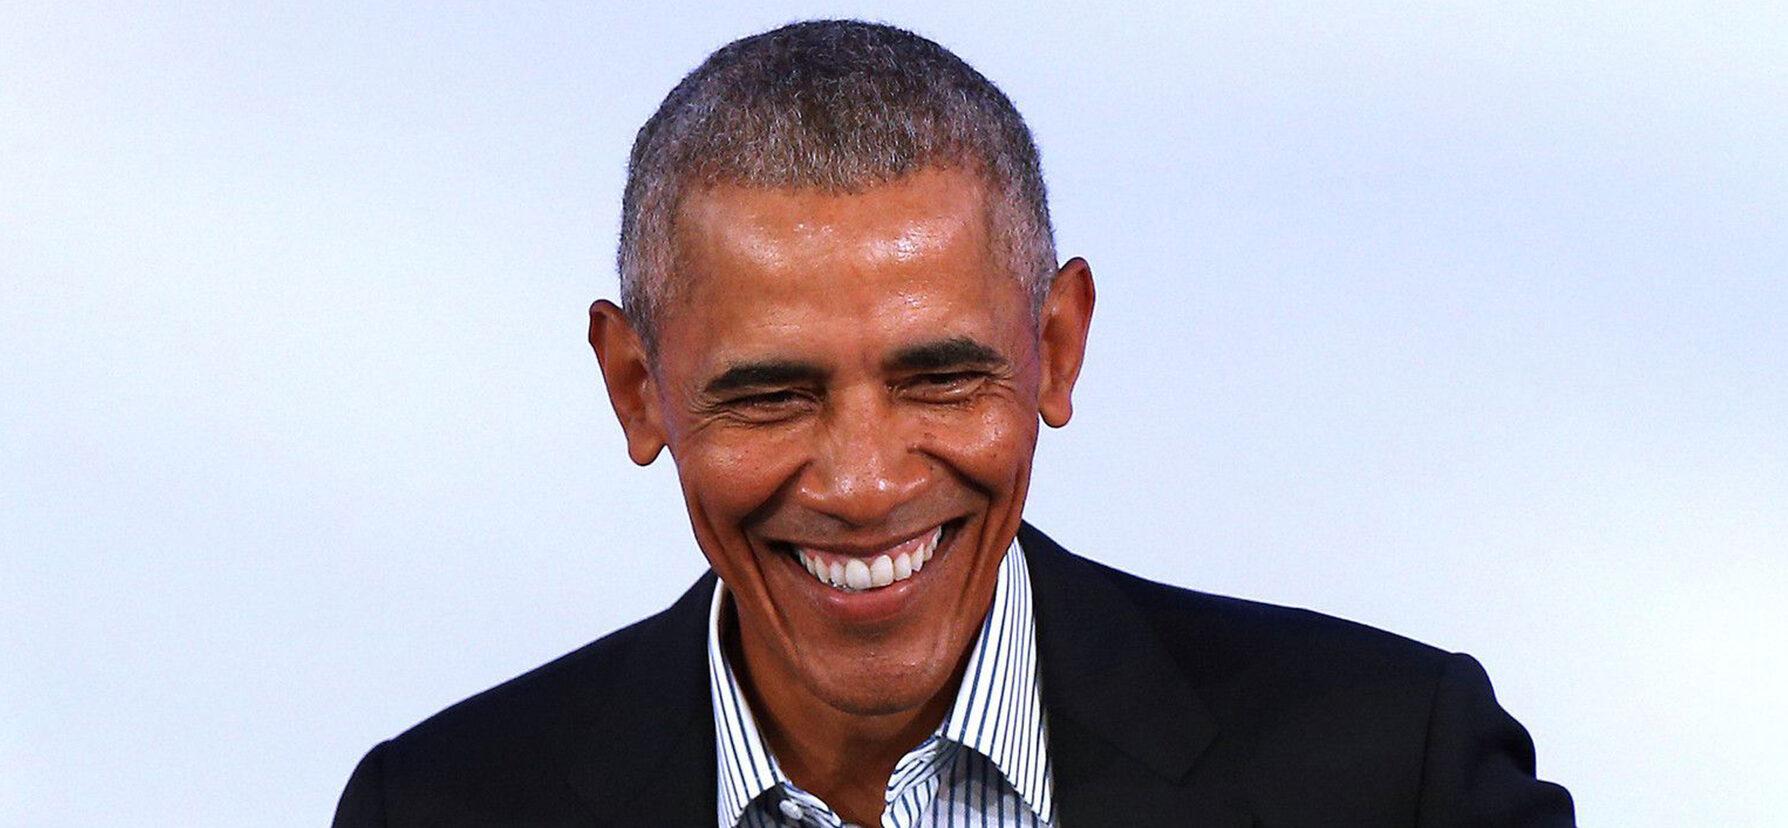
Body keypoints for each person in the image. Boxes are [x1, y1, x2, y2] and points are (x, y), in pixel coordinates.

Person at [333, 20, 1574, 827]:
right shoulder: (441, 808)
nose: (866, 483)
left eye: (938, 380)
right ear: (636, 387)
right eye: (773, 393)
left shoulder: (1391, 778)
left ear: (1056, 348)